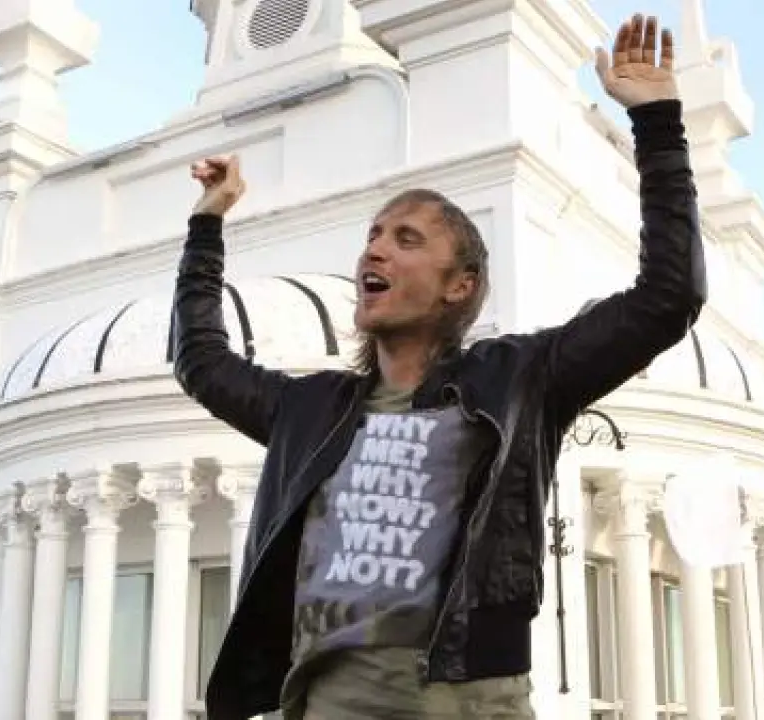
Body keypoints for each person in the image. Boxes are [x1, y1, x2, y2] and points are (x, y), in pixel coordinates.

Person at [174, 12, 704, 720]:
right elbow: (203, 362)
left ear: (461, 285)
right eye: (373, 236)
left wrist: (657, 123)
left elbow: (668, 297)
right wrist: (207, 224)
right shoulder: (311, 411)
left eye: (406, 239)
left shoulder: (517, 381)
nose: (374, 250)